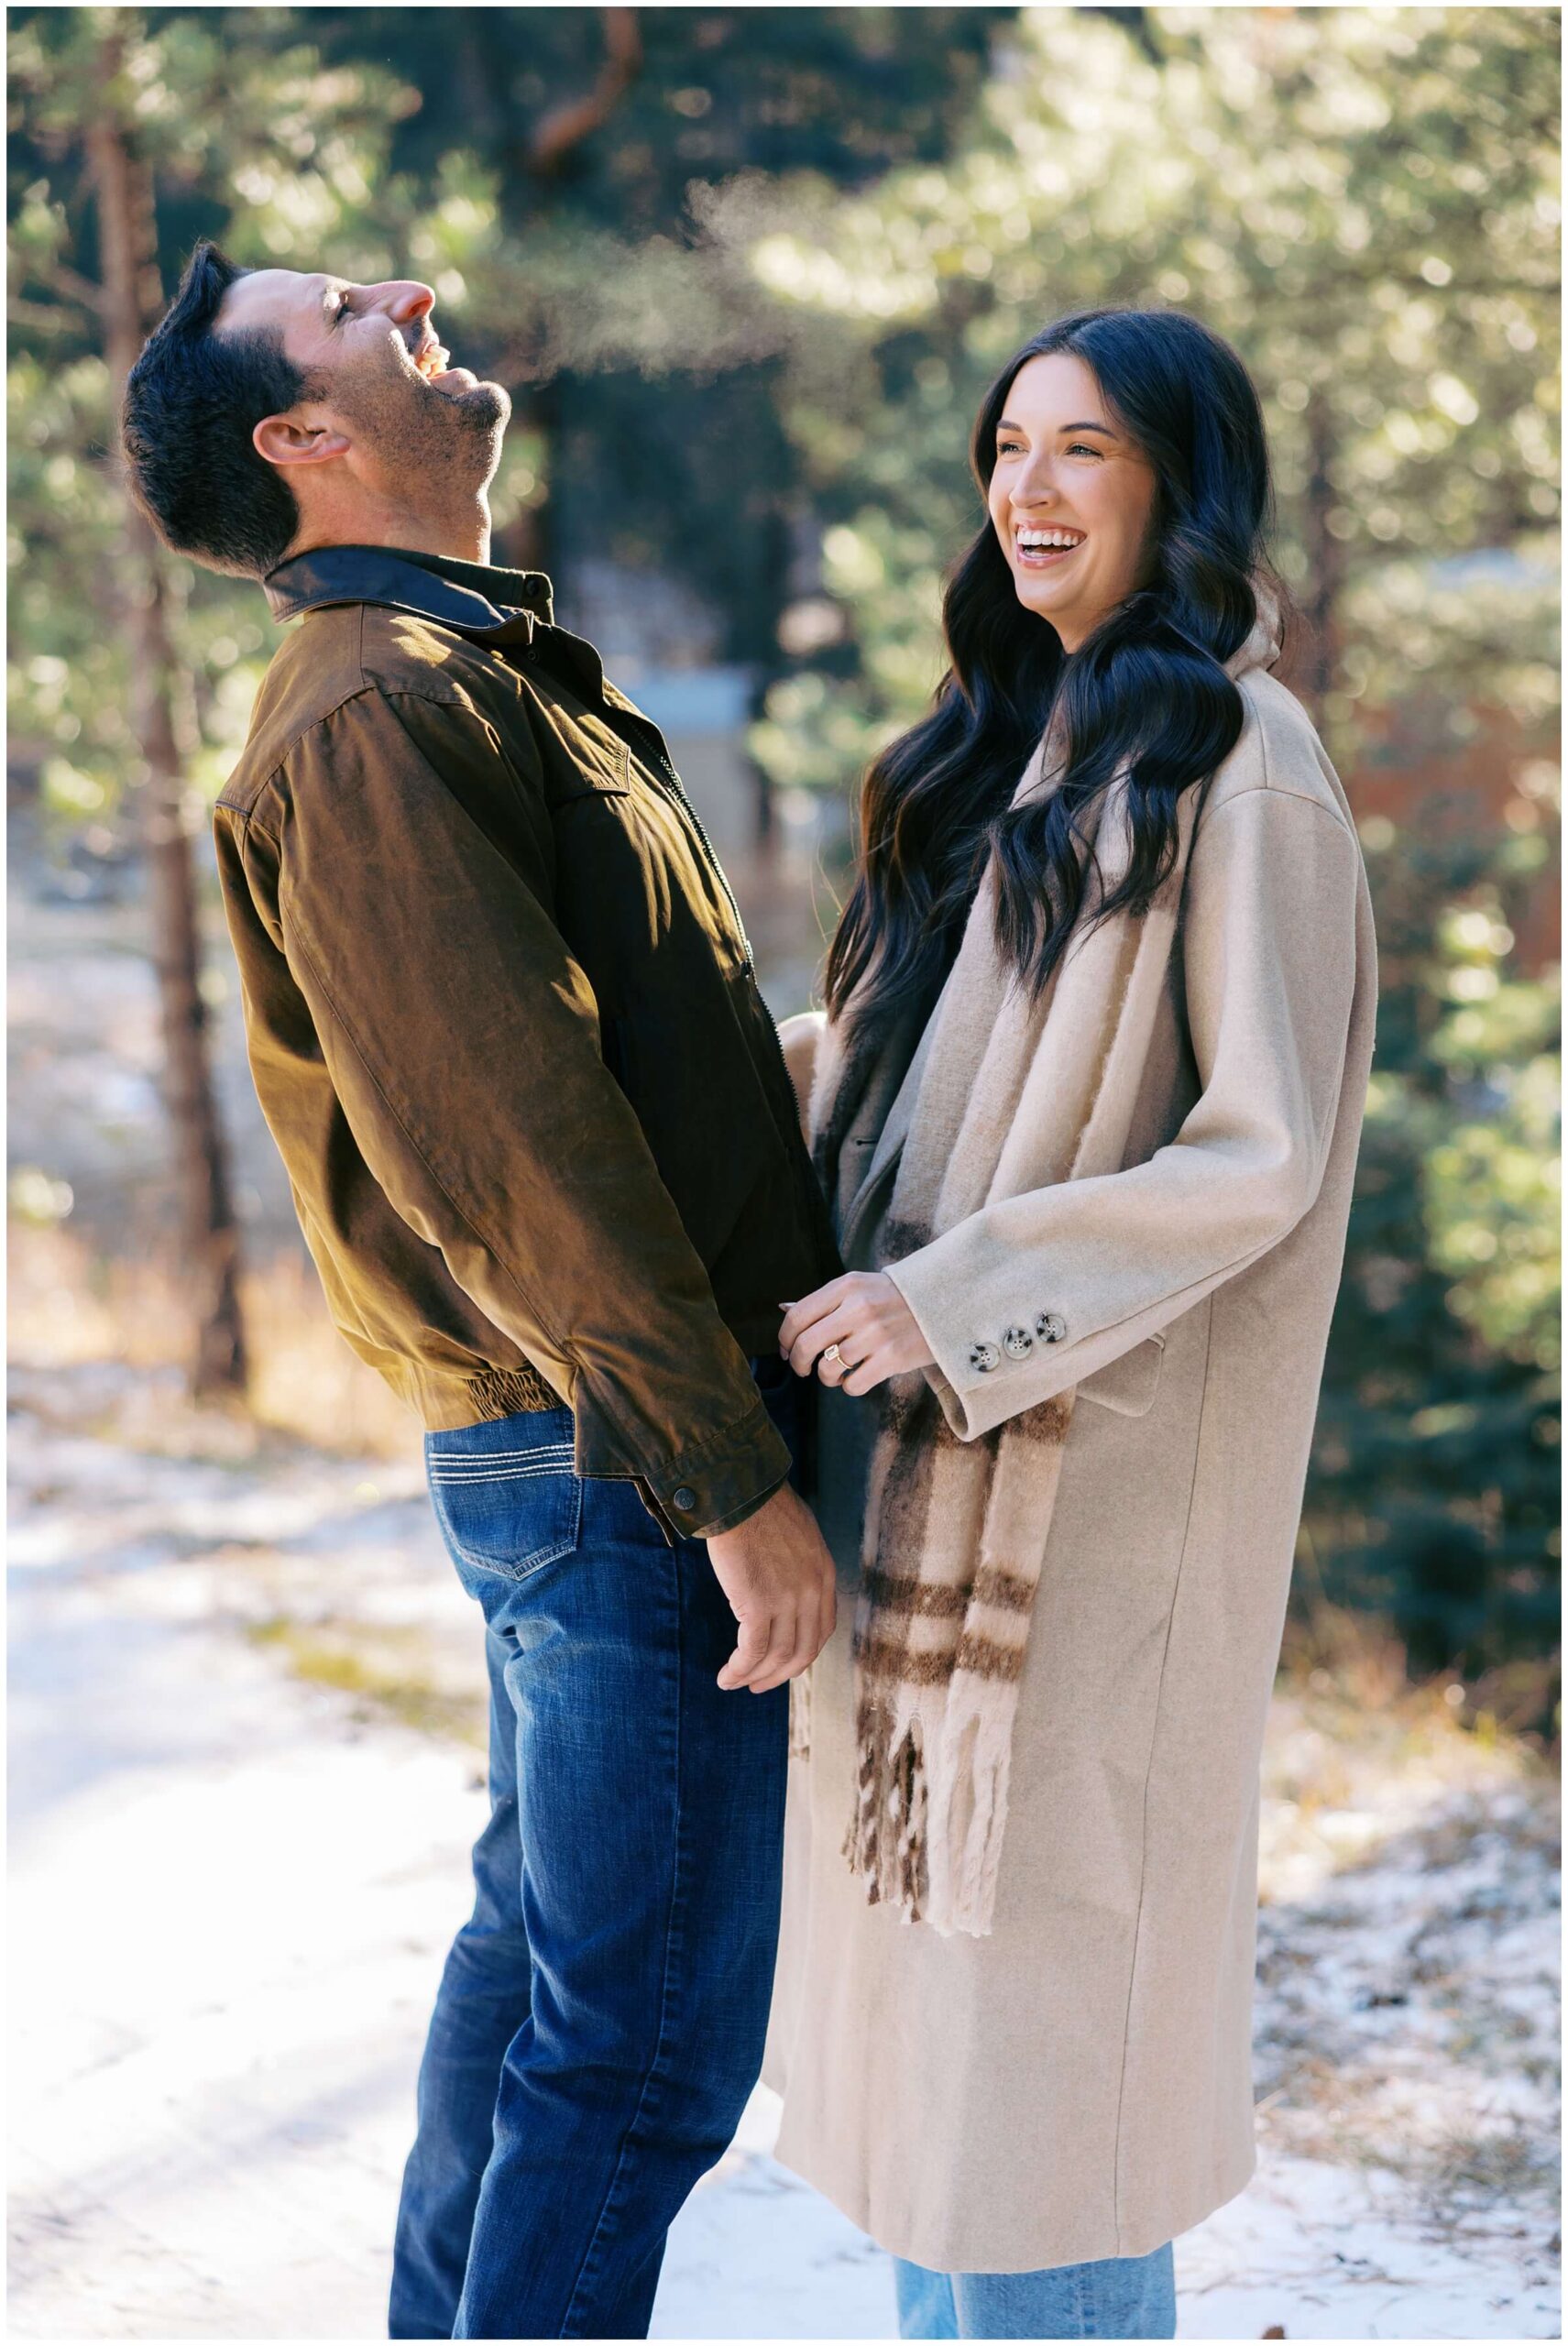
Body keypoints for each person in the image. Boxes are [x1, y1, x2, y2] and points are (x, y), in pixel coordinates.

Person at [121, 242, 841, 2341]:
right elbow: (507, 1152)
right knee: (633, 2058)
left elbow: (604, 1065)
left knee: (545, 1980)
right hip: (623, 1448)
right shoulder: (374, 714)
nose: (416, 289)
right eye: (353, 304)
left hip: (595, 1431)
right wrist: (727, 1482)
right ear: (309, 438)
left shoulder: (464, 673)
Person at [766, 306, 1378, 2341]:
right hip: (924, 1491)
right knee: (946, 2091)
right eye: (1006, 446)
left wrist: (949, 1303)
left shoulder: (1237, 759)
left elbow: (1257, 1150)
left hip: (1089, 1513)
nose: (1024, 488)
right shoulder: (1011, 744)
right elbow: (899, 1075)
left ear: (1175, 483)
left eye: (1083, 451)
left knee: (1046, 2102)